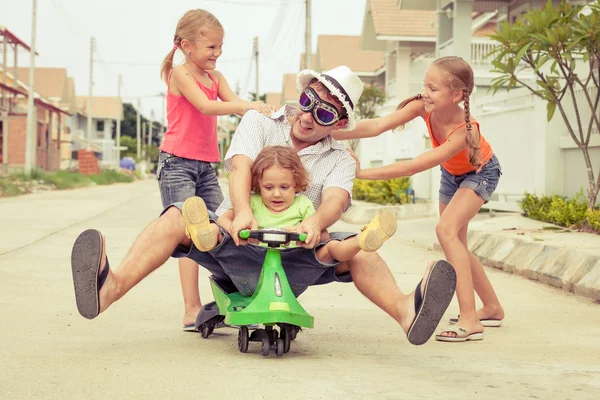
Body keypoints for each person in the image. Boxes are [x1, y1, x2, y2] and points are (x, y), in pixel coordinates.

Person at [70, 65, 456, 346]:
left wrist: (315, 223)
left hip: (297, 255)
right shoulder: (259, 122)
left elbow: (336, 201)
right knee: (176, 217)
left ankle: (408, 312)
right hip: (238, 241)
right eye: (307, 101)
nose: (307, 116)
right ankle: (108, 288)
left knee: (360, 247)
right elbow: (240, 167)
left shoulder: (339, 157)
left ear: (337, 124)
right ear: (301, 95)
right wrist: (242, 211)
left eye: (322, 114)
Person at [332, 56, 504, 342]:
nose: (426, 92)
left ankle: (469, 319)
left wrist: (361, 173)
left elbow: (415, 166)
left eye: (433, 88)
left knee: (446, 232)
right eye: (425, 85)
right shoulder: (424, 107)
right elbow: (377, 125)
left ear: (457, 95)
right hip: (452, 175)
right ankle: (493, 307)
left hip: (481, 173)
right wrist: (327, 132)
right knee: (457, 243)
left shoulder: (464, 131)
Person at [157, 9, 272, 330]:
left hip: (206, 167)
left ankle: (234, 296)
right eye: (211, 48)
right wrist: (246, 105)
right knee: (187, 233)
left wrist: (263, 115)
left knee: (222, 228)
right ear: (186, 45)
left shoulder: (216, 78)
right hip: (176, 164)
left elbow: (236, 106)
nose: (217, 54)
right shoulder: (181, 74)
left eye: (220, 48)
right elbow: (207, 106)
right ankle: (191, 309)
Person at [186, 145, 397, 263]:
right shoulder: (253, 203)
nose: (276, 194)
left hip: (293, 259)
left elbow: (321, 234)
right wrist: (233, 227)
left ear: (296, 184)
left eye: (284, 187)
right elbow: (228, 217)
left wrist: (312, 237)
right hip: (252, 256)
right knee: (220, 232)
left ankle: (362, 239)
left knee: (331, 247)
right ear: (257, 183)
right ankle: (205, 231)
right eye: (269, 187)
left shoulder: (303, 205)